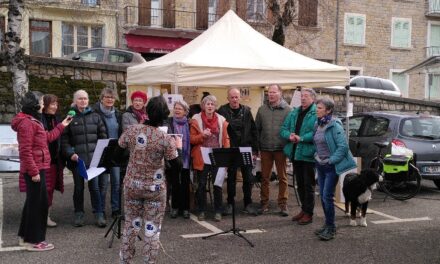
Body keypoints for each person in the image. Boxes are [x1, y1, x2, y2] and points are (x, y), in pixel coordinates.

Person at [118, 95, 182, 264]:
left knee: (130, 226)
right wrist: (178, 149)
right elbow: (176, 166)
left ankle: (125, 260)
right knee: (151, 228)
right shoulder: (165, 139)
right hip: (155, 189)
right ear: (163, 116)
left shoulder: (132, 130)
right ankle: (149, 261)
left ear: (146, 111)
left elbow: (118, 151)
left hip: (132, 185)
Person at [12, 91, 72, 251]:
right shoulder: (27, 123)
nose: (43, 104)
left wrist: (62, 125)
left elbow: (47, 137)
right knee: (38, 206)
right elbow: (25, 151)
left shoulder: (32, 120)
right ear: (34, 104)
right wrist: (34, 172)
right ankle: (34, 241)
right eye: (40, 101)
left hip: (39, 167)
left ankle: (25, 238)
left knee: (33, 205)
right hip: (35, 169)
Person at [61, 89, 108, 228]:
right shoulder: (69, 118)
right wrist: (71, 154)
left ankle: (99, 213)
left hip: (94, 160)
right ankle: (79, 213)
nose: (83, 101)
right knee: (79, 188)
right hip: (77, 160)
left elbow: (103, 136)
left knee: (95, 188)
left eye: (85, 99)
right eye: (80, 99)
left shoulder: (96, 116)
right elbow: (64, 140)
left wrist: (100, 154)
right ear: (75, 101)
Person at [313, 97, 356, 241]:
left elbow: (343, 147)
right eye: (316, 107)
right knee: (324, 197)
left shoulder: (335, 125)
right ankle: (327, 225)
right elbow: (317, 144)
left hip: (330, 167)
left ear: (328, 110)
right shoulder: (317, 124)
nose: (316, 110)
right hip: (320, 165)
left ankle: (331, 228)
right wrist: (316, 155)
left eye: (319, 108)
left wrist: (331, 161)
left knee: (327, 196)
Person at [217, 87, 258, 215]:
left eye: (237, 97)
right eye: (232, 97)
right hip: (230, 149)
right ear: (228, 98)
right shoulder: (222, 111)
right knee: (231, 178)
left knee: (248, 177)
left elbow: (254, 131)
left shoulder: (246, 111)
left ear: (240, 97)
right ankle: (230, 203)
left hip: (246, 148)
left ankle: (248, 203)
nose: (235, 99)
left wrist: (255, 151)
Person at [280, 88, 317, 225]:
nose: (303, 98)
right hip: (295, 153)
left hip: (308, 154)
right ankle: (303, 209)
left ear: (312, 98)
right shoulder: (294, 112)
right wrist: (288, 135)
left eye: (306, 96)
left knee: (308, 185)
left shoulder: (315, 113)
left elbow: (316, 133)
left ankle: (309, 213)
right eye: (302, 96)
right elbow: (283, 128)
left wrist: (301, 138)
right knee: (299, 184)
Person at [190, 95, 230, 222]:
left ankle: (218, 211)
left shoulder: (221, 119)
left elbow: (225, 139)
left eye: (212, 104)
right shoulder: (196, 119)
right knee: (201, 185)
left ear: (215, 106)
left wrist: (226, 155)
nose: (210, 106)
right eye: (207, 104)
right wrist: (202, 135)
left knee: (217, 184)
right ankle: (201, 210)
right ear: (203, 106)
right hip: (202, 155)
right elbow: (191, 139)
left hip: (217, 155)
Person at [255, 84, 291, 216]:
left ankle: (283, 204)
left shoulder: (288, 110)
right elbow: (257, 129)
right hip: (265, 148)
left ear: (280, 93)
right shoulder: (262, 110)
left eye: (274, 92)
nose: (270, 94)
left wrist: (288, 146)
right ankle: (264, 204)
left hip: (281, 149)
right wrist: (258, 147)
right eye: (269, 92)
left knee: (282, 177)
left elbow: (291, 130)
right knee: (264, 177)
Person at [93, 88, 123, 218]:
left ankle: (116, 209)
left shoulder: (118, 114)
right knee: (103, 184)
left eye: (112, 97)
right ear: (102, 98)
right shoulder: (95, 113)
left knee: (116, 183)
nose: (110, 99)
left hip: (115, 152)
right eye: (107, 97)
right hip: (102, 152)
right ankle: (101, 210)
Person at [40, 94, 65, 227]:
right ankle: (40, 216)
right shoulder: (39, 119)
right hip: (42, 160)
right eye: (52, 104)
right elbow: (48, 138)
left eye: (56, 104)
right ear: (44, 105)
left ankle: (46, 216)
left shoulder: (57, 118)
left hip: (54, 160)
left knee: (49, 190)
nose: (55, 106)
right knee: (43, 190)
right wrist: (61, 126)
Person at [165, 100, 191, 219]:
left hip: (186, 156)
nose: (177, 110)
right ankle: (174, 208)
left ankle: (185, 208)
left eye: (180, 108)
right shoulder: (169, 122)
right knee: (174, 183)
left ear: (185, 111)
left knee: (185, 183)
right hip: (173, 156)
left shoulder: (189, 123)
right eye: (175, 108)